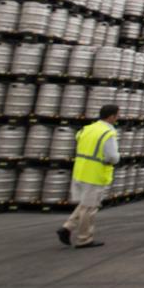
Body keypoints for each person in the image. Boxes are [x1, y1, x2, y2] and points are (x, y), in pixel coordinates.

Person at [57, 104, 120, 249]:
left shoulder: (86, 129)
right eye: (117, 115)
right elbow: (112, 156)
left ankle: (67, 228)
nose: (118, 118)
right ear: (111, 117)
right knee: (90, 207)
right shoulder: (107, 133)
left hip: (80, 170)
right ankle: (84, 239)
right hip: (95, 174)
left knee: (85, 204)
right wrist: (116, 159)